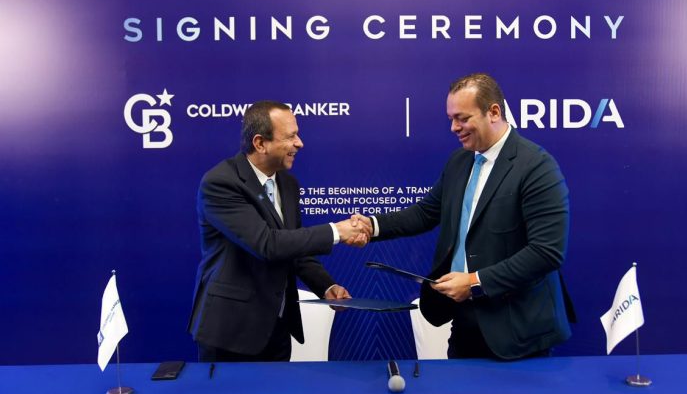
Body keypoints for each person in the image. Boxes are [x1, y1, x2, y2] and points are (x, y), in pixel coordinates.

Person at [353, 73, 575, 360]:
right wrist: (372, 226)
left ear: (493, 112)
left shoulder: (537, 166)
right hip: (464, 320)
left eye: (462, 118)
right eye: (451, 119)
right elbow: (425, 213)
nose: (454, 127)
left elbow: (546, 252)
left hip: (519, 331)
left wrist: (474, 282)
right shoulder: (459, 162)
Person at [188, 100, 370, 362]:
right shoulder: (221, 182)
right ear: (260, 143)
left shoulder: (288, 183)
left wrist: (326, 286)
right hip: (231, 332)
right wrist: (337, 231)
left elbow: (294, 247)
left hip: (277, 328)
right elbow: (268, 244)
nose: (300, 143)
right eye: (291, 136)